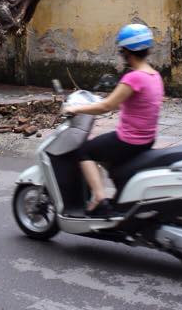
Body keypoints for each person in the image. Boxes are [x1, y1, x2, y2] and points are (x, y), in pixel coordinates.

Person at [63, 23, 164, 217]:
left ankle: (99, 198)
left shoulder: (134, 78)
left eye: (122, 50)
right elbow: (128, 102)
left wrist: (75, 108)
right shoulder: (154, 76)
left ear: (127, 51)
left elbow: (106, 106)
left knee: (85, 151)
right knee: (109, 158)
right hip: (147, 139)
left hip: (129, 140)